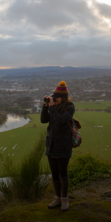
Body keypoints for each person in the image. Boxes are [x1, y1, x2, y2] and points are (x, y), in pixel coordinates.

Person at [40, 80, 75, 212]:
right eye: (54, 97)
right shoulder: (53, 107)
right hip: (51, 145)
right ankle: (57, 198)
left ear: (64, 98)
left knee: (63, 174)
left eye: (57, 97)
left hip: (63, 146)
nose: (55, 99)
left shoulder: (70, 107)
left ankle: (64, 199)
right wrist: (45, 106)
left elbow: (61, 120)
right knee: (54, 174)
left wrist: (51, 108)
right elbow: (43, 120)